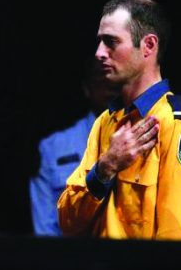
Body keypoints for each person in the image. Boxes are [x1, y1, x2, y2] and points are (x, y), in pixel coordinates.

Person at [57, 0, 181, 239]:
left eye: (111, 42)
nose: (99, 53)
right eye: (99, 42)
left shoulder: (177, 125)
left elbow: (179, 240)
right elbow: (67, 221)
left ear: (149, 45)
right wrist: (105, 167)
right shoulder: (105, 122)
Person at [29, 62, 117, 236]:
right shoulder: (53, 147)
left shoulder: (144, 136)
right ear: (87, 87)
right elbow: (45, 228)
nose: (108, 86)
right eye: (101, 77)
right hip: (69, 258)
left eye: (114, 80)